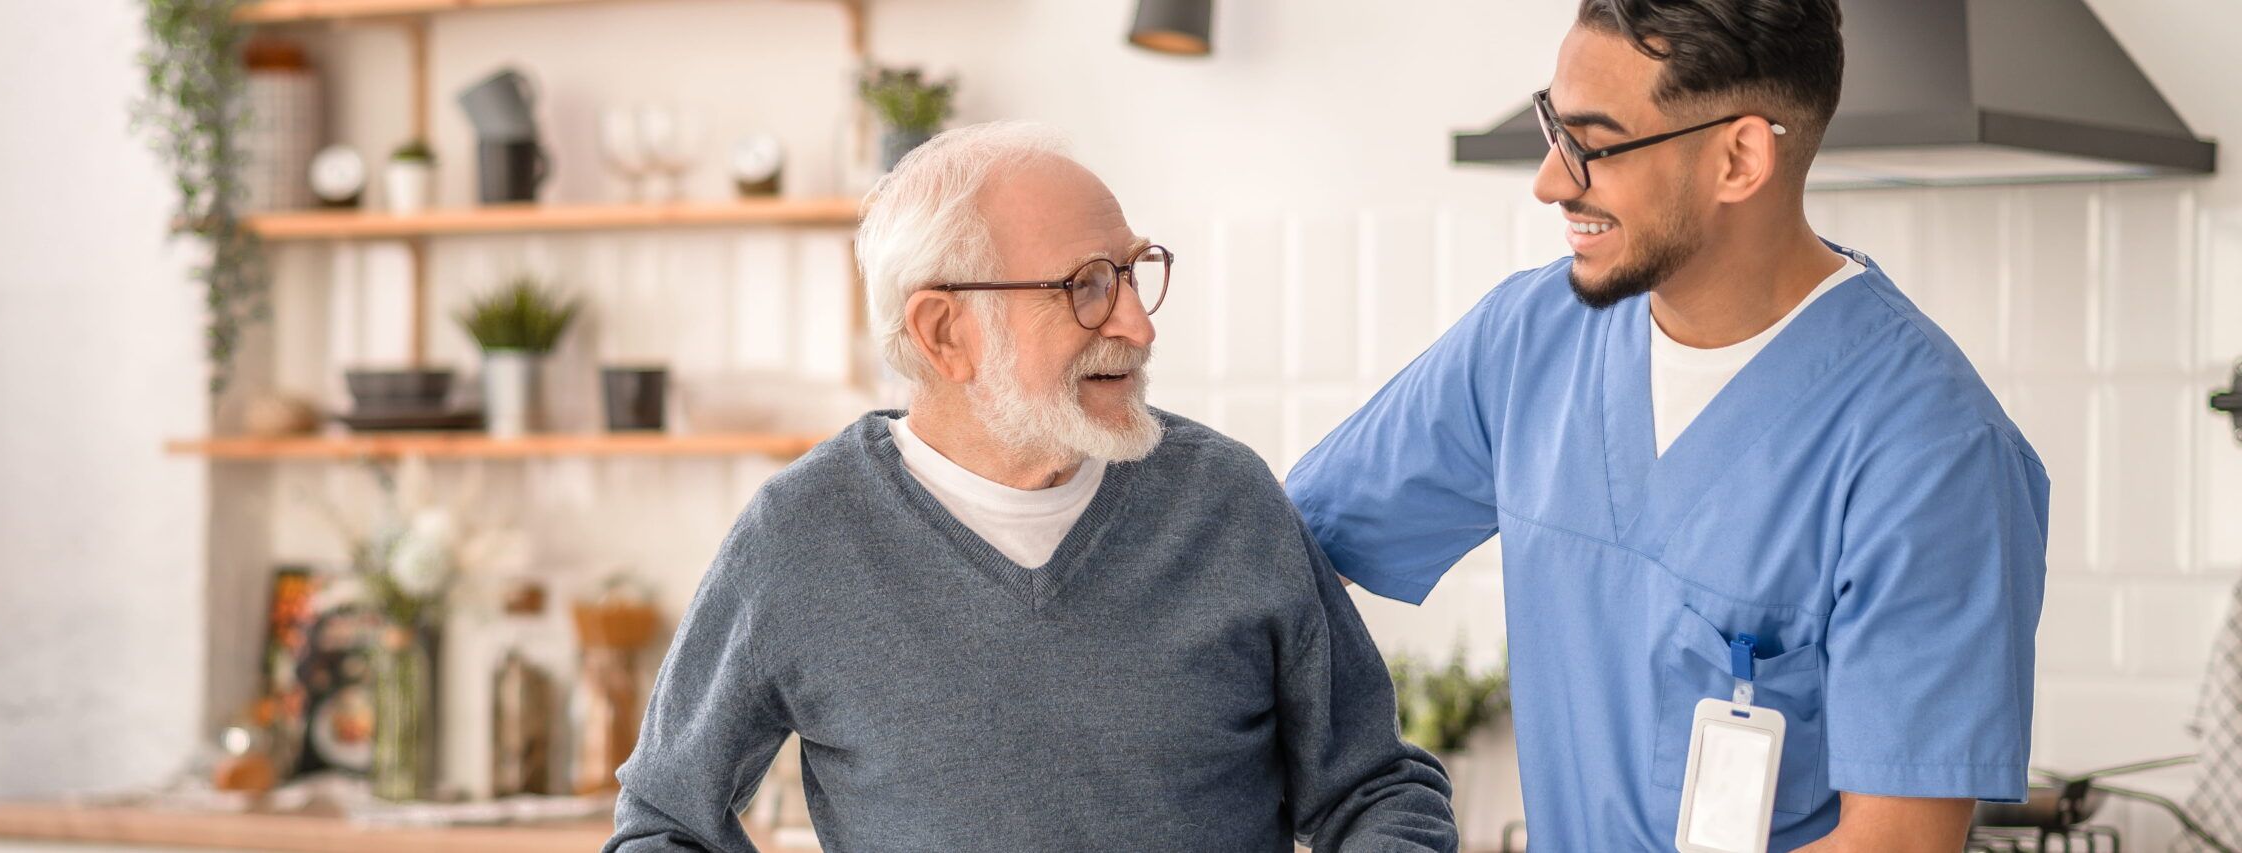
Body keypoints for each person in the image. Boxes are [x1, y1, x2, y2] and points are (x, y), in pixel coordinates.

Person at [1286, 1, 2046, 850]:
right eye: (1552, 126)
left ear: (1740, 157)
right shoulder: (1528, 340)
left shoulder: (1935, 454)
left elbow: (1898, 842)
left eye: (1594, 144)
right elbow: (1277, 560)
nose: (1551, 179)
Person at [606, 121, 1457, 852]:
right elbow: (663, 822)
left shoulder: (1228, 500)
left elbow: (1375, 791)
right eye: (1085, 286)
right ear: (945, 332)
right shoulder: (800, 536)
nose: (1137, 322)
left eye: (1133, 272)